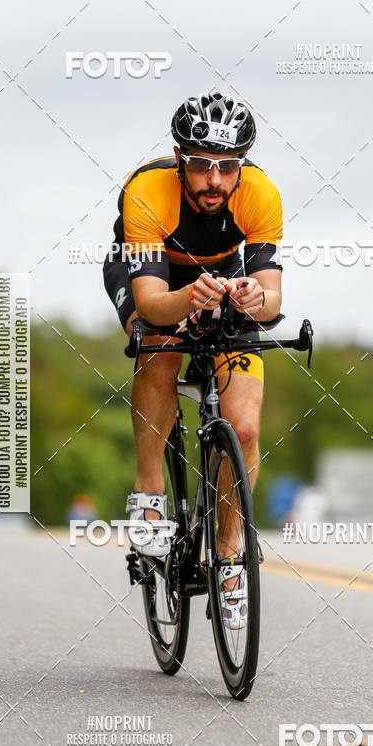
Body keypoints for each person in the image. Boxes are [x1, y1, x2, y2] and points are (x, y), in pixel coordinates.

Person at [103, 91, 283, 628]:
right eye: (202, 164)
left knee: (245, 428)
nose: (215, 180)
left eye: (228, 167)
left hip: (223, 284)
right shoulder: (147, 191)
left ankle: (229, 556)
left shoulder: (260, 194)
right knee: (158, 350)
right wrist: (190, 301)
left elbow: (273, 300)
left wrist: (255, 300)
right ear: (181, 157)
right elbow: (154, 304)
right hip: (155, 281)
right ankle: (150, 489)